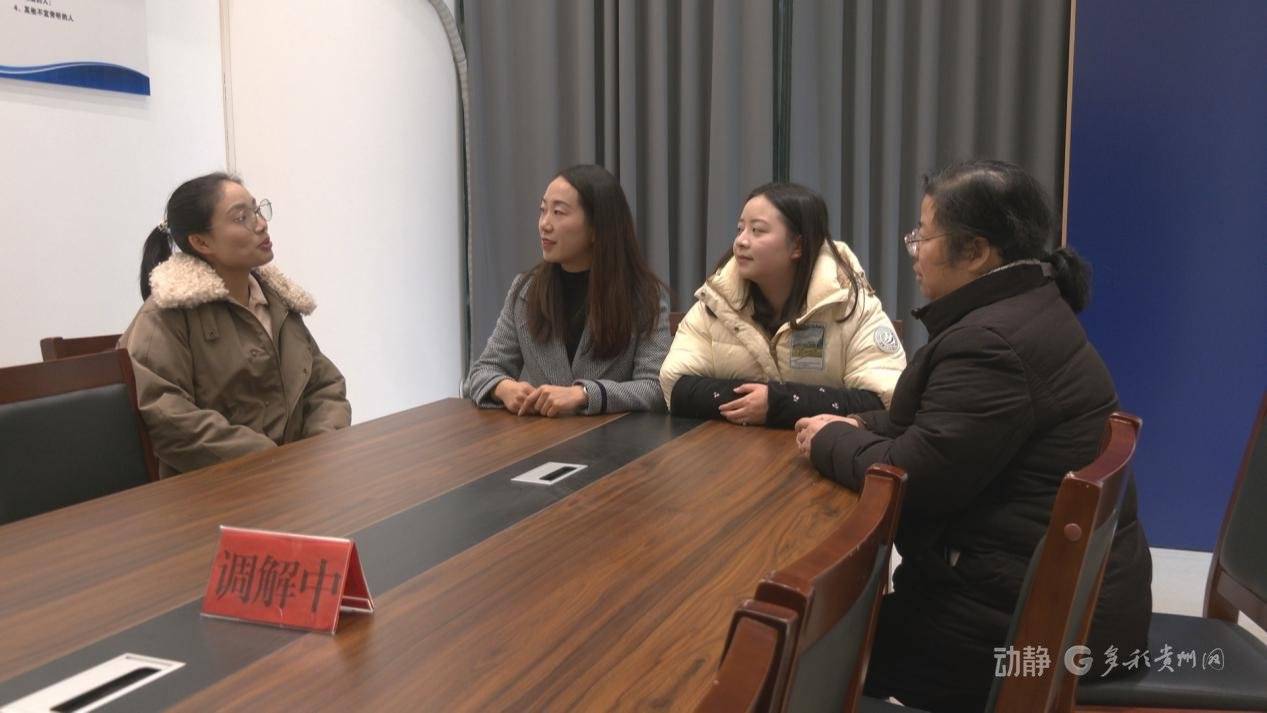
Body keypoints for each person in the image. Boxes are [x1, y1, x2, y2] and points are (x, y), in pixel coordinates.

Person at [795, 160, 1152, 712]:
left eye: (923, 236)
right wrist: (858, 426)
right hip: (1049, 597)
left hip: (1025, 629)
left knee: (805, 657)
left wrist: (826, 440)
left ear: (977, 251)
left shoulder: (992, 342)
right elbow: (937, 425)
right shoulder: (1024, 309)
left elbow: (914, 479)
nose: (914, 251)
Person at [121, 172, 350, 477]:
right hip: (216, 489)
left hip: (299, 479)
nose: (261, 224)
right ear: (201, 242)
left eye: (256, 210)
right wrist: (271, 461)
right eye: (241, 217)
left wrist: (317, 449)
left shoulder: (278, 302)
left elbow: (325, 386)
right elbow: (164, 415)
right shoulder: (166, 314)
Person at [658, 182, 904, 428]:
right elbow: (676, 387)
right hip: (731, 448)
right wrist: (759, 402)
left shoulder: (850, 304)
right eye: (740, 229)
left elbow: (883, 401)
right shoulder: (718, 300)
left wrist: (778, 403)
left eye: (757, 230)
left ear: (797, 246)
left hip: (821, 447)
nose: (741, 241)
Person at [463, 164, 669, 415]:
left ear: (596, 227)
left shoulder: (643, 295)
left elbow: (654, 388)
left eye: (559, 212)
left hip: (615, 437)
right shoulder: (526, 291)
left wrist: (584, 394)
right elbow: (483, 370)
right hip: (544, 436)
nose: (544, 224)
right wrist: (504, 388)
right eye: (543, 211)